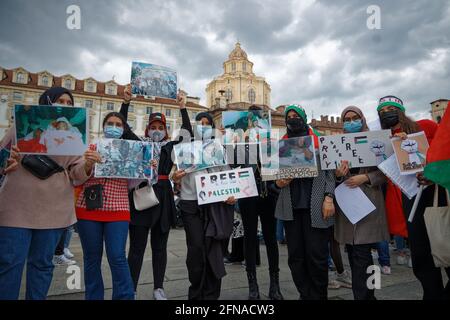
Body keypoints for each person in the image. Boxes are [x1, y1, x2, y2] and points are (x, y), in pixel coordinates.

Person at [0, 87, 95, 300]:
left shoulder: (75, 137)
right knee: (9, 263)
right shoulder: (21, 126)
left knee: (42, 265)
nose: (65, 105)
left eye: (69, 102)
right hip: (16, 205)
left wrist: (88, 164)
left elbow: (77, 174)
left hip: (54, 208)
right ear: (46, 102)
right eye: (60, 100)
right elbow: (1, 157)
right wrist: (8, 158)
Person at [121, 87, 192, 300]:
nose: (157, 130)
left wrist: (183, 107)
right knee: (136, 248)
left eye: (161, 127)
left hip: (163, 197)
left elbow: (187, 134)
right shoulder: (139, 144)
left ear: (166, 130)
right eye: (153, 127)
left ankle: (158, 288)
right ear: (147, 129)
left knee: (160, 247)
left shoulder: (169, 147)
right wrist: (126, 103)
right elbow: (123, 129)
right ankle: (131, 287)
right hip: (142, 195)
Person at [377, 95, 450, 299]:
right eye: (381, 111)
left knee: (444, 245)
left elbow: (445, 148)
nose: (386, 113)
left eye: (390, 109)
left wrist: (432, 171)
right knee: (421, 256)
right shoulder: (382, 140)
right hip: (408, 199)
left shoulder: (426, 126)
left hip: (435, 195)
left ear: (401, 111)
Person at [172, 111, 236, 300]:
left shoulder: (219, 148)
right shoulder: (184, 148)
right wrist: (175, 178)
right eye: (200, 122)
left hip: (215, 204)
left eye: (207, 123)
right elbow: (175, 176)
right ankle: (196, 293)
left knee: (214, 250)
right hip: (190, 203)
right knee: (196, 249)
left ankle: (211, 295)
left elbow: (228, 174)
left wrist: (232, 195)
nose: (203, 125)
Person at [275, 104, 336, 300]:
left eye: (296, 116)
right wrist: (278, 181)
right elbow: (272, 179)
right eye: (289, 116)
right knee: (295, 256)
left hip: (316, 205)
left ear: (304, 119)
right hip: (291, 206)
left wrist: (329, 197)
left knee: (317, 256)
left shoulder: (320, 141)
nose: (292, 119)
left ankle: (318, 296)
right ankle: (304, 293)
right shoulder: (279, 146)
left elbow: (330, 174)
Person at [75, 111, 135, 300]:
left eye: (119, 124)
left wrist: (146, 167)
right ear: (103, 126)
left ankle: (125, 297)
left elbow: (133, 183)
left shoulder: (130, 149)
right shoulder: (90, 146)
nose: (114, 127)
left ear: (124, 128)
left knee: (117, 257)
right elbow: (76, 177)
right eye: (110, 123)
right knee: (91, 259)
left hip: (118, 209)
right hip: (89, 209)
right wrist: (88, 165)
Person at [334, 105, 390, 300]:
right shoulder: (337, 144)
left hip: (369, 205)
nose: (351, 122)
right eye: (346, 119)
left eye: (354, 118)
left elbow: (386, 171)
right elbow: (333, 174)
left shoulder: (376, 140)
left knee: (363, 255)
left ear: (362, 118)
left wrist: (366, 177)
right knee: (354, 254)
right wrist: (338, 175)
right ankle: (367, 295)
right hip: (349, 206)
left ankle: (364, 296)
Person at [234, 105, 283, 300]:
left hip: (268, 192)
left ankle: (275, 285)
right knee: (250, 237)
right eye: (250, 119)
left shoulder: (270, 139)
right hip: (248, 192)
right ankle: (252, 285)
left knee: (271, 238)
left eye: (257, 119)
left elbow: (277, 164)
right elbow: (233, 166)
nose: (253, 122)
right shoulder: (238, 139)